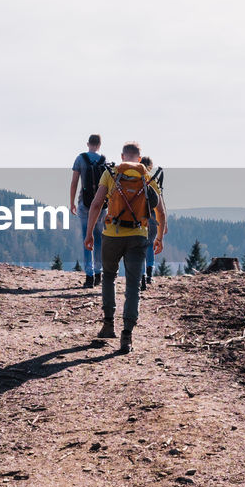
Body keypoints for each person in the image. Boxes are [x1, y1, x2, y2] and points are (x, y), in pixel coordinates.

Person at [84, 142, 165, 353]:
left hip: (111, 234)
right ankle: (126, 336)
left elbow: (95, 204)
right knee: (133, 287)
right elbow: (161, 212)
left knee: (109, 277)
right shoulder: (146, 176)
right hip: (138, 236)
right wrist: (159, 238)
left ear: (122, 156)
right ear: (139, 159)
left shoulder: (111, 174)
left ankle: (108, 324)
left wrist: (89, 233)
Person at [70, 135, 106, 288]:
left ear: (88, 144)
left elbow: (74, 183)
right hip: (102, 205)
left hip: (85, 204)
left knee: (87, 238)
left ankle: (89, 276)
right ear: (99, 144)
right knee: (99, 239)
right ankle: (99, 273)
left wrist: (71, 202)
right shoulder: (104, 159)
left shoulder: (80, 159)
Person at [138, 156, 165, 289]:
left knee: (141, 246)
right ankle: (149, 274)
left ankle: (142, 277)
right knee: (149, 245)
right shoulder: (154, 180)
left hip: (140, 217)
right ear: (150, 166)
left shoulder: (137, 179)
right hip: (154, 217)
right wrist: (164, 226)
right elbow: (162, 208)